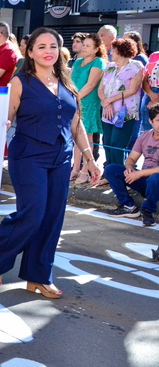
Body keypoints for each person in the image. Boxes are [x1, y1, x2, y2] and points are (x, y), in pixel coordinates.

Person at [0, 27, 101, 299]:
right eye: (42, 46)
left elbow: (76, 124)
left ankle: (38, 276)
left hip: (61, 157)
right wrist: (1, 124)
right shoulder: (20, 82)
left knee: (52, 218)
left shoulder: (67, 81)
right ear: (30, 52)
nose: (49, 51)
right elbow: (5, 117)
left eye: (54, 47)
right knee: (33, 213)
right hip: (28, 156)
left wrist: (90, 160)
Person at [104, 104, 159, 225]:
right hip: (145, 181)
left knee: (155, 178)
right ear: (150, 121)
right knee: (111, 169)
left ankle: (148, 210)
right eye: (158, 120)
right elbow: (131, 158)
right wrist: (129, 168)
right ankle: (128, 206)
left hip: (156, 181)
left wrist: (139, 173)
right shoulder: (145, 136)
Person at [97, 37, 144, 170]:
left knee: (117, 144)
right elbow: (100, 89)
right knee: (107, 144)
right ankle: (109, 173)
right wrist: (106, 103)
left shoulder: (136, 66)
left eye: (113, 50)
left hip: (125, 113)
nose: (111, 52)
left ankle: (116, 175)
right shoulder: (110, 67)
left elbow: (132, 90)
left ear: (121, 51)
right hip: (108, 111)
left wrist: (110, 100)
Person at [70, 33, 106, 183]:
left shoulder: (98, 62)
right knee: (75, 136)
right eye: (83, 45)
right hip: (75, 100)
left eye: (87, 46)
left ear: (96, 49)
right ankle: (75, 168)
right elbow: (69, 81)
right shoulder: (78, 62)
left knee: (87, 136)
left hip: (88, 102)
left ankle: (86, 169)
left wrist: (75, 98)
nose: (84, 48)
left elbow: (91, 85)